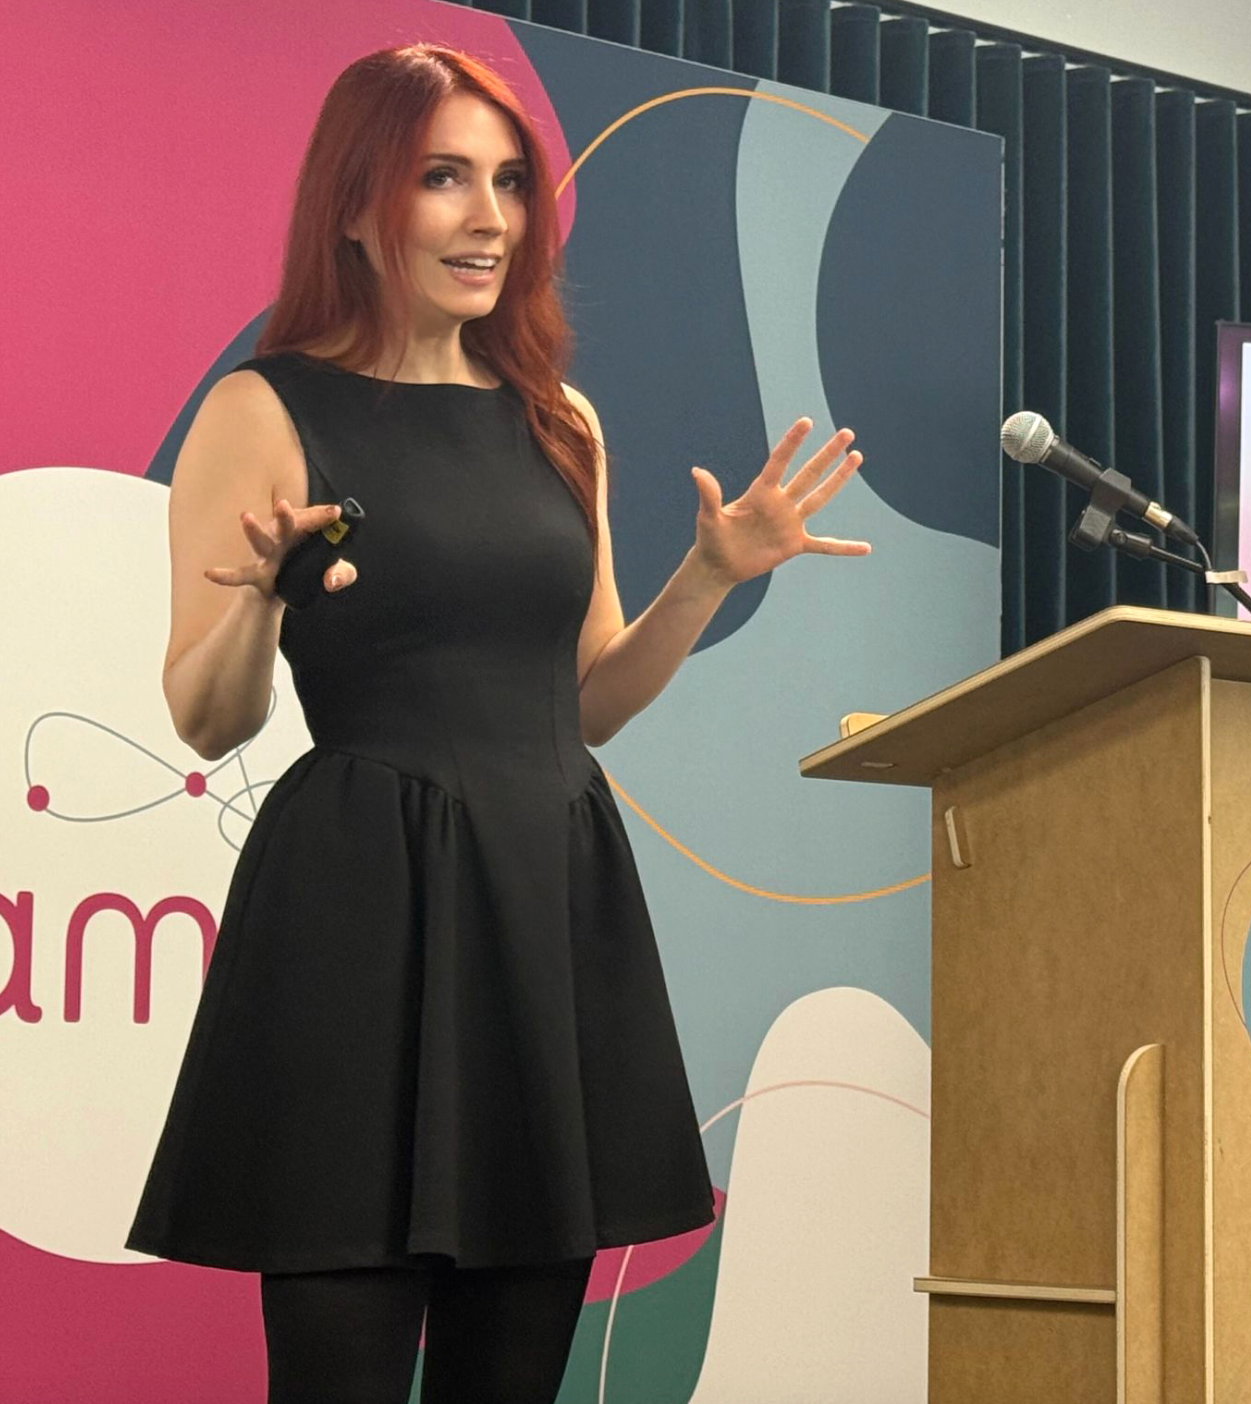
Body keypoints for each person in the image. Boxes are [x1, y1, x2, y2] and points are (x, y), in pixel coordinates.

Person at [126, 42, 869, 1404]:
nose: (490, 220)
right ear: (358, 206)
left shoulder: (558, 419)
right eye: (444, 179)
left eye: (510, 182)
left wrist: (707, 577)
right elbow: (207, 718)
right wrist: (262, 601)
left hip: (546, 908)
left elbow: (586, 705)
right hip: (359, 914)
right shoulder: (263, 406)